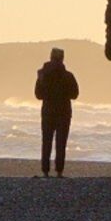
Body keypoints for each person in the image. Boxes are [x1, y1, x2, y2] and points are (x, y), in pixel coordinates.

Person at [31, 47, 80, 176]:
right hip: (64, 112)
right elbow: (75, 94)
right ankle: (59, 171)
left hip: (48, 111)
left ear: (50, 57)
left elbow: (38, 95)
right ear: (63, 58)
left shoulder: (42, 74)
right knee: (61, 142)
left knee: (46, 141)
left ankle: (45, 171)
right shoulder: (68, 75)